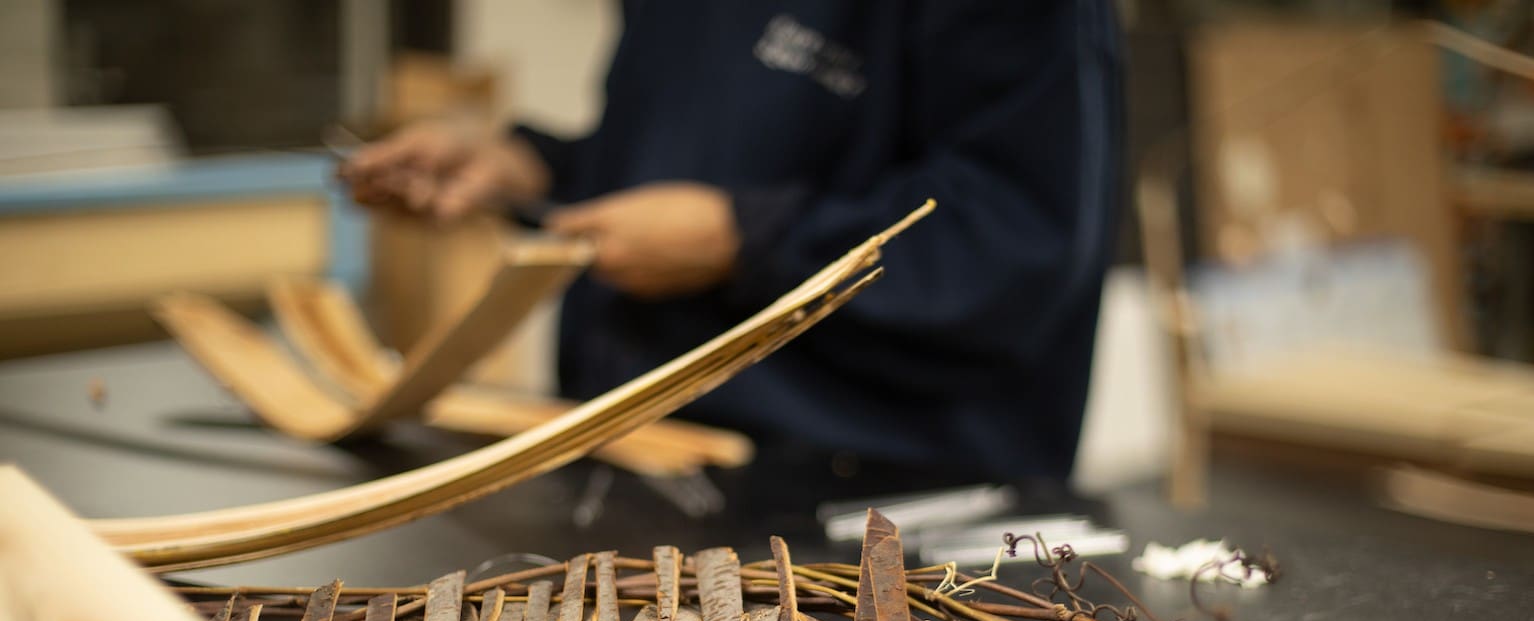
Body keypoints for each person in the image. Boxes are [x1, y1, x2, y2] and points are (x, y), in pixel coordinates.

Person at [343, 2, 1124, 481]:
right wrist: (527, 166)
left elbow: (1014, 237)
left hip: (881, 509)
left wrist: (742, 239)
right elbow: (678, 168)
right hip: (631, 458)